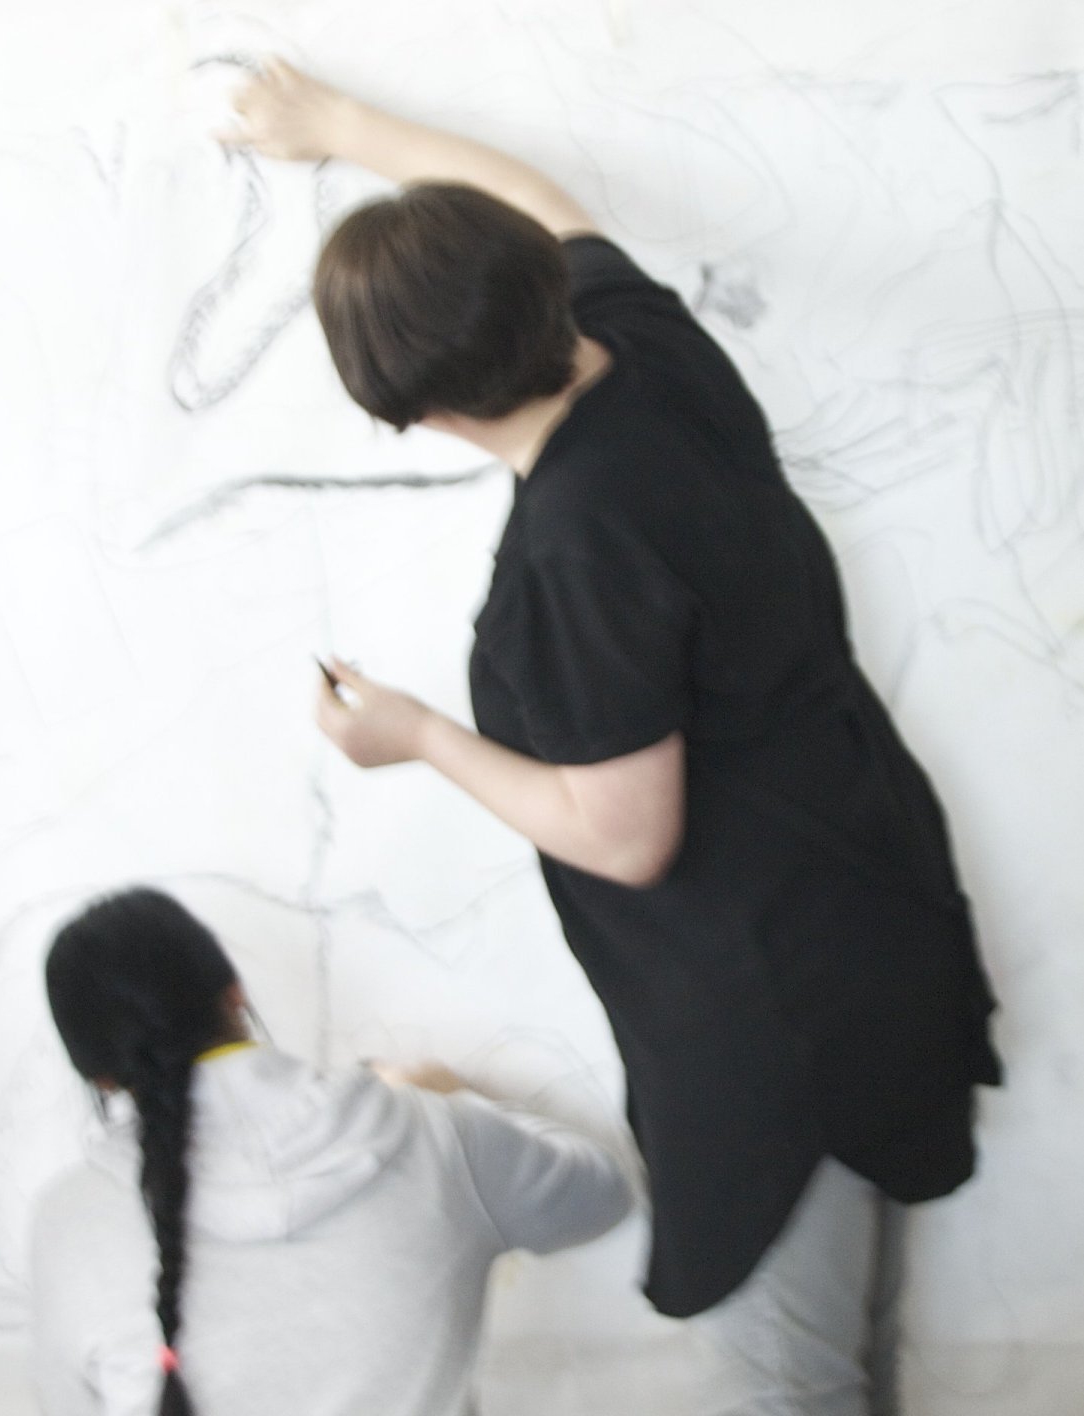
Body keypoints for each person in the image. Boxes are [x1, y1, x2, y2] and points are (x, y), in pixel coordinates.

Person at [225, 59, 1002, 1415]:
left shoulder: (574, 554)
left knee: (799, 1389)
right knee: (859, 1354)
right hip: (879, 918)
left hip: (773, 1023)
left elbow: (626, 836)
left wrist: (417, 738)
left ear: (425, 419)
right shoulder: (641, 347)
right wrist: (336, 130)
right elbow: (532, 194)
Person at [30, 886, 633, 1416]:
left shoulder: (68, 1216)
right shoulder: (429, 1133)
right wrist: (453, 1096)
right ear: (234, 995)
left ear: (100, 1077)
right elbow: (603, 1195)